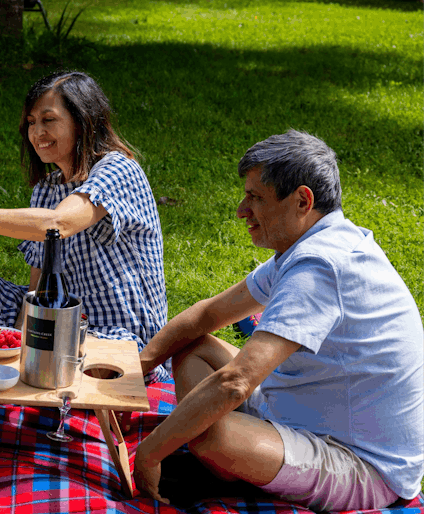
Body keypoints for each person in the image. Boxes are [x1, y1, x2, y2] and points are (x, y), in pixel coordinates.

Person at [134, 131, 423, 509]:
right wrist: (133, 371)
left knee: (208, 435)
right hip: (299, 409)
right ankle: (238, 464)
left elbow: (237, 383)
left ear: (302, 201)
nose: (241, 210)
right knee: (194, 347)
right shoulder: (309, 247)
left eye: (255, 197)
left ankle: (231, 468)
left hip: (363, 462)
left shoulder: (321, 266)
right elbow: (207, 314)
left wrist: (150, 453)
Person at [0, 71, 170, 382]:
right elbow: (38, 282)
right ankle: (0, 368)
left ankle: (34, 369)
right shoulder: (48, 187)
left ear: (82, 120)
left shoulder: (118, 168)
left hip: (114, 328)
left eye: (48, 120)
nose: (37, 132)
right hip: (55, 317)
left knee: (83, 366)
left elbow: (60, 223)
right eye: (31, 122)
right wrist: (21, 337)